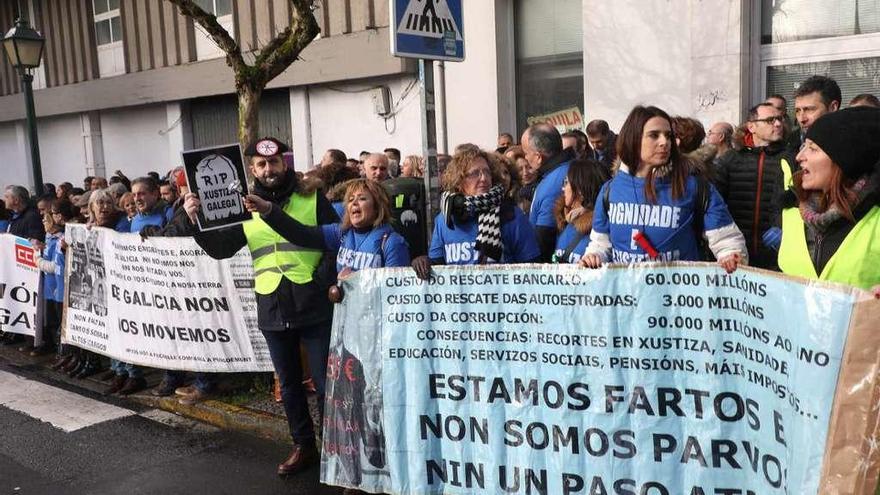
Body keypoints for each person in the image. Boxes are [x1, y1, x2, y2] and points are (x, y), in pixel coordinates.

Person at [183, 137, 337, 477]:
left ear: (285, 164)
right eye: (262, 165)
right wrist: (195, 221)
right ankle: (303, 446)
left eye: (275, 163)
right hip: (272, 303)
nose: (270, 170)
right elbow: (222, 248)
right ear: (252, 170)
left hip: (313, 303)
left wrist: (321, 281)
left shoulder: (311, 196)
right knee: (289, 385)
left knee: (327, 384)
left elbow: (332, 243)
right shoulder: (244, 205)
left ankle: (333, 449)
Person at [580, 105, 747, 271]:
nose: (664, 142)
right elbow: (600, 244)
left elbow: (727, 242)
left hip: (679, 294)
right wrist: (594, 256)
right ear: (634, 139)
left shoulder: (696, 188)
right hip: (628, 294)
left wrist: (731, 256)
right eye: (654, 135)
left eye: (668, 136)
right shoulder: (610, 190)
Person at [778, 106, 880, 295]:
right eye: (803, 146)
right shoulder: (791, 211)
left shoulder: (876, 217)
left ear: (845, 160)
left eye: (813, 149)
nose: (800, 157)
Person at [412, 147, 540, 278]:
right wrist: (423, 262)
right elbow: (438, 265)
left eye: (487, 172)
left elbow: (532, 268)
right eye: (475, 174)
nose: (484, 178)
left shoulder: (511, 215)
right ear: (459, 181)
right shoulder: (445, 218)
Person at [715, 103, 795, 270]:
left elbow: (799, 200)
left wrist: (783, 227)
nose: (778, 124)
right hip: (736, 256)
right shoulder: (731, 159)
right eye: (770, 120)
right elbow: (715, 203)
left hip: (776, 256)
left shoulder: (791, 159)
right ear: (752, 126)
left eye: (780, 119)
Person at [521, 123, 576, 261]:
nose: (525, 158)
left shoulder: (551, 185)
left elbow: (544, 238)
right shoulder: (573, 167)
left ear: (539, 157)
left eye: (526, 153)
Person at [552, 158, 610, 263]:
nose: (563, 188)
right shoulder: (564, 223)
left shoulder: (601, 231)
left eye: (566, 182)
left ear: (579, 190)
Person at [792, 75, 841, 151]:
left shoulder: (851, 149)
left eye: (809, 109)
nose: (802, 119)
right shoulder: (791, 147)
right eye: (798, 111)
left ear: (833, 107)